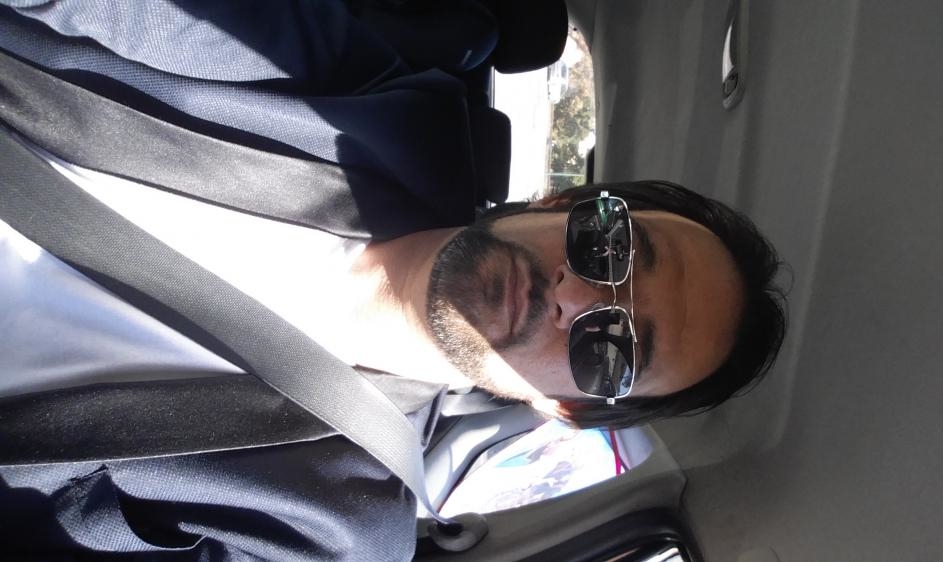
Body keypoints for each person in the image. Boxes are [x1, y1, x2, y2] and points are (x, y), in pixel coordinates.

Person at [0, 1, 786, 559]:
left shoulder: (331, 533)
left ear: (567, 408)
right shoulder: (370, 100)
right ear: (564, 203)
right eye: (610, 246)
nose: (574, 296)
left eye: (614, 350)